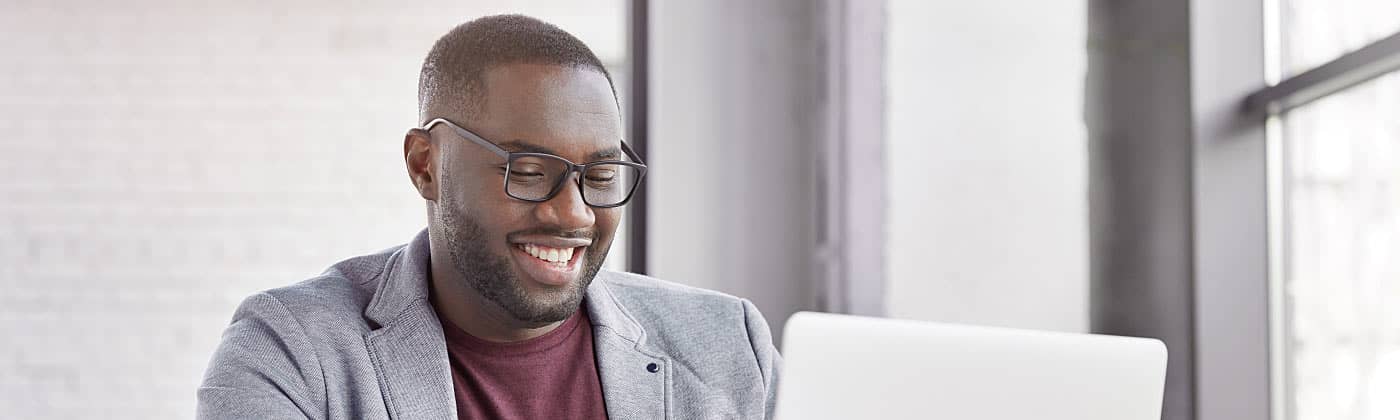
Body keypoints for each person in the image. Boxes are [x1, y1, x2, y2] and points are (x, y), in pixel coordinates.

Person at [197, 14, 780, 420]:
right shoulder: (292, 353)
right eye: (528, 171)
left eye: (600, 177)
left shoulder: (730, 346)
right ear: (426, 165)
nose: (573, 213)